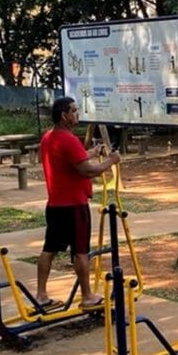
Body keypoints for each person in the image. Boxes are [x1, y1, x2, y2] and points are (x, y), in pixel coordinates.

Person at [35, 96, 121, 309]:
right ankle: (87, 296)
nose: (77, 114)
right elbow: (87, 170)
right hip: (74, 206)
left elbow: (71, 159)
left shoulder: (48, 138)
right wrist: (111, 161)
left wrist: (92, 152)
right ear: (64, 115)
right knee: (80, 251)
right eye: (74, 111)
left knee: (50, 249)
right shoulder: (69, 139)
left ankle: (41, 294)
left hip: (55, 204)